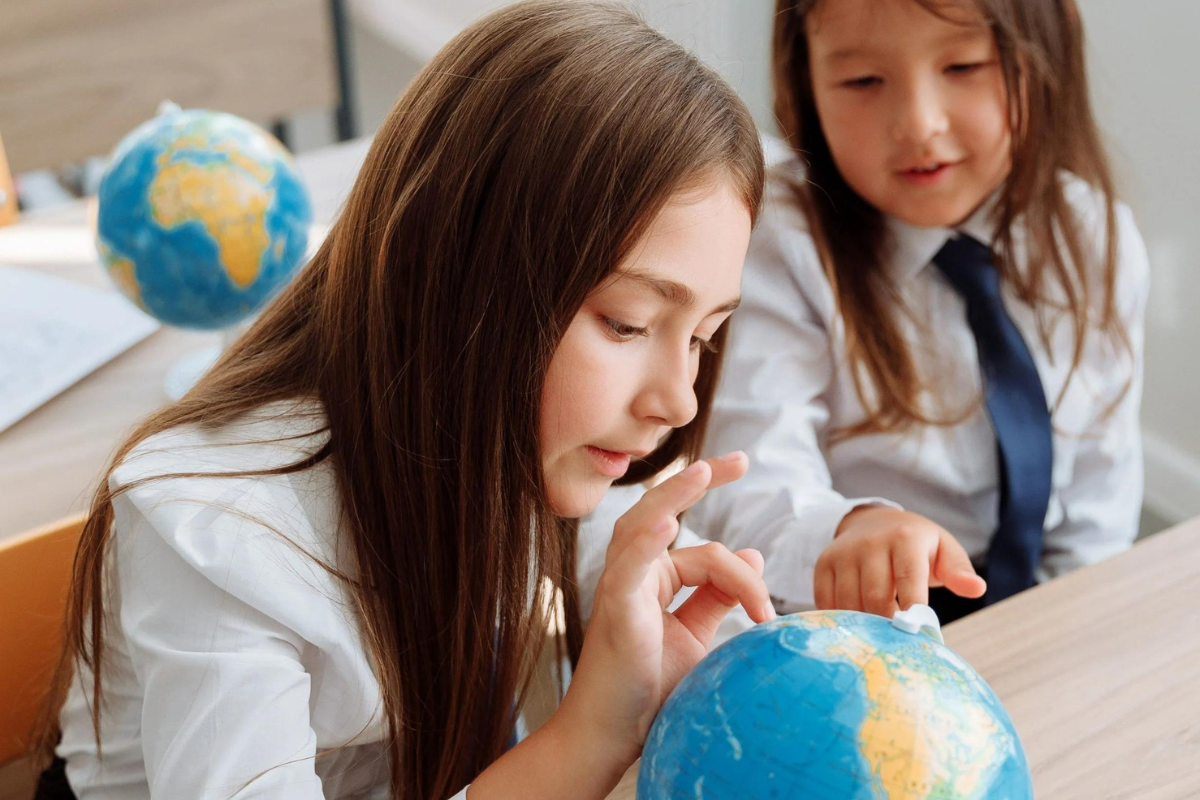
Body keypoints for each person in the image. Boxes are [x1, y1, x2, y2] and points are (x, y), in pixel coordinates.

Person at [35, 3, 772, 798]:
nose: (680, 400)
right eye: (628, 323)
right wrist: (591, 735)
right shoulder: (222, 532)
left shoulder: (547, 435)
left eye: (701, 337)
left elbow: (633, 585)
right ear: (455, 282)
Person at [690, 0, 1149, 624]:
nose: (918, 124)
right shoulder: (779, 242)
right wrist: (851, 528)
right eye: (863, 81)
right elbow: (749, 467)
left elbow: (1101, 491)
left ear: (1049, 52)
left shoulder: (1093, 236)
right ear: (805, 81)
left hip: (1038, 606)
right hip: (856, 618)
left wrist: (1082, 616)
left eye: (963, 66)